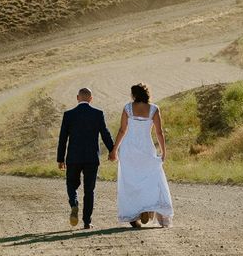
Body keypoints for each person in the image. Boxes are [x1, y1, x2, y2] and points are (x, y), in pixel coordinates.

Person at [109, 83, 174, 227]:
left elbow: (122, 130)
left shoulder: (127, 108)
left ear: (134, 95)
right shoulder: (154, 109)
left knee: (130, 181)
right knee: (150, 179)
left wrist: (114, 149)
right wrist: (163, 151)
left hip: (129, 149)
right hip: (146, 148)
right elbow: (159, 132)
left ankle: (134, 216)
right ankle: (148, 208)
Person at [57, 87, 114, 229]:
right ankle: (87, 221)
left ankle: (74, 204)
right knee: (89, 190)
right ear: (91, 99)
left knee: (71, 184)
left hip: (73, 158)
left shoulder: (69, 115)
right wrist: (113, 150)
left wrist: (60, 158)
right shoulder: (97, 114)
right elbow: (105, 134)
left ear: (77, 98)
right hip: (91, 158)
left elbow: (63, 138)